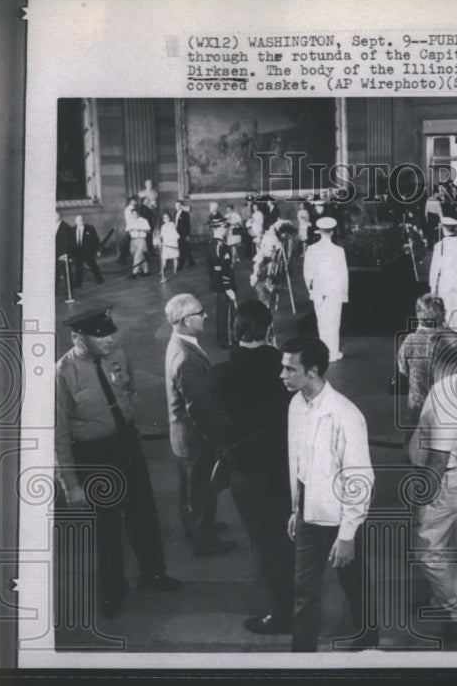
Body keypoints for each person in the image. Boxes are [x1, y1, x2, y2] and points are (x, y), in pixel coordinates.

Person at [56, 308, 182, 619]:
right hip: (94, 455)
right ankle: (113, 589)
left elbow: (128, 385)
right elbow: (57, 434)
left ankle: (153, 575)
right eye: (101, 335)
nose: (111, 338)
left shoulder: (117, 354)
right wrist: (71, 484)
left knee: (143, 510)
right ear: (78, 338)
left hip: (126, 444)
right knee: (106, 525)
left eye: (111, 332)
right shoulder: (62, 375)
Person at [281, 336, 378, 652]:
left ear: (311, 372)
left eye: (288, 369)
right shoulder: (296, 405)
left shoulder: (346, 415)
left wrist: (348, 534)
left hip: (340, 517)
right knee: (304, 591)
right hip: (309, 512)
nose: (282, 375)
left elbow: (360, 478)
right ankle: (303, 660)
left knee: (355, 586)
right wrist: (297, 509)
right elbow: (300, 465)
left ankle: (368, 644)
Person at [210, 301, 295, 635]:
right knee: (284, 535)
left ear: (235, 331)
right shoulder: (284, 365)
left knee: (263, 539)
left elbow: (219, 424)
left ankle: (280, 612)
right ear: (269, 328)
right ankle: (293, 597)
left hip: (247, 471)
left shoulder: (221, 374)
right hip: (285, 465)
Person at [408, 332, 457, 642]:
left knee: (426, 550)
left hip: (441, 481)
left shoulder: (444, 400)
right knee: (442, 544)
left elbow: (437, 459)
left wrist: (422, 497)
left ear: (437, 360)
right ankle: (442, 597)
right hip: (454, 476)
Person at [164, 294, 236, 557]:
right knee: (202, 489)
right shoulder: (186, 358)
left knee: (192, 489)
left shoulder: (179, 344)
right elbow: (199, 408)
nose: (205, 316)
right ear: (185, 320)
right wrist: (219, 441)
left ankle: (196, 528)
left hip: (182, 436)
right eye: (200, 312)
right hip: (195, 439)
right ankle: (204, 542)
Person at [396, 294, 449, 430]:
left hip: (418, 401)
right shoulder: (451, 340)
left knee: (414, 438)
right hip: (445, 402)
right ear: (443, 314)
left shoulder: (411, 339)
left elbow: (402, 367)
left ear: (419, 315)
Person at [302, 216, 349, 361]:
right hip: (334, 290)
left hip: (319, 290)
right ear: (332, 232)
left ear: (319, 231)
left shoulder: (311, 249)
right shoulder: (338, 251)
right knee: (334, 321)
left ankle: (324, 352)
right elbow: (343, 274)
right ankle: (333, 353)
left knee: (321, 321)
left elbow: (307, 273)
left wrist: (310, 289)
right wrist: (345, 293)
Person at [429, 217, 457, 334]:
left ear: (444, 229)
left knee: (445, 311)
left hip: (444, 281)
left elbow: (434, 268)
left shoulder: (439, 246)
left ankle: (445, 339)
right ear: (456, 229)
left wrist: (433, 287)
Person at [207, 216, 237, 349]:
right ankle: (228, 340)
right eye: (225, 227)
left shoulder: (212, 244)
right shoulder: (219, 246)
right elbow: (220, 269)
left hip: (218, 285)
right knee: (227, 313)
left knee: (221, 312)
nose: (226, 229)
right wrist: (228, 287)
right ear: (219, 228)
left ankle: (223, 339)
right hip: (224, 286)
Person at [69, 214, 105, 287]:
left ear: (83, 220)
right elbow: (71, 241)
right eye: (78, 220)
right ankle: (78, 283)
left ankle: (100, 278)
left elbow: (96, 239)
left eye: (81, 220)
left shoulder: (90, 228)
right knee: (78, 268)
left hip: (88, 252)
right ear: (76, 221)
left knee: (93, 265)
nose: (80, 221)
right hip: (77, 252)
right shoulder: (72, 229)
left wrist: (98, 250)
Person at [127, 207, 151, 279]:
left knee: (137, 256)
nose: (135, 215)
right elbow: (127, 231)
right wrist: (130, 231)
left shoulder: (143, 220)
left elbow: (149, 231)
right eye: (133, 213)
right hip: (133, 240)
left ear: (138, 213)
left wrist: (139, 230)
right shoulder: (130, 221)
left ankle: (134, 273)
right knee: (140, 255)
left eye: (136, 213)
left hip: (141, 239)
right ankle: (146, 271)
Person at [158, 210, 179, 283]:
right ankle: (162, 270)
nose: (165, 219)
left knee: (174, 257)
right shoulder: (162, 226)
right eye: (164, 217)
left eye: (166, 217)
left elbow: (173, 233)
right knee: (164, 258)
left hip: (172, 243)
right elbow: (162, 234)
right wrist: (159, 237)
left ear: (169, 218)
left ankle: (175, 270)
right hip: (165, 243)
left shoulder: (172, 224)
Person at [174, 200, 196, 269]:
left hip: (183, 234)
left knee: (182, 249)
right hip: (177, 233)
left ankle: (180, 265)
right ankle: (192, 261)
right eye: (176, 205)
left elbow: (188, 225)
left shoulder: (185, 214)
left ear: (181, 206)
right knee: (185, 248)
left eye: (178, 205)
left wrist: (187, 235)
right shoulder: (175, 213)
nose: (177, 207)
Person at [55, 212, 74, 291]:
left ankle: (70, 291)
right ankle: (54, 291)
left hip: (63, 255)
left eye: (55, 216)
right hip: (55, 254)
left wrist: (64, 254)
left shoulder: (65, 227)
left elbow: (68, 242)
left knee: (67, 273)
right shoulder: (50, 226)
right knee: (55, 273)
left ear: (60, 217)